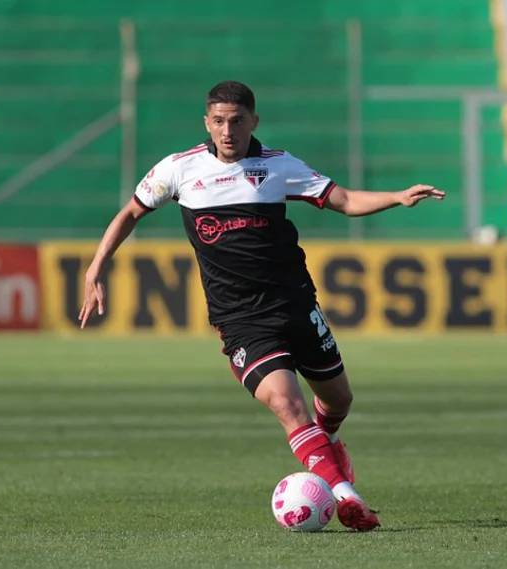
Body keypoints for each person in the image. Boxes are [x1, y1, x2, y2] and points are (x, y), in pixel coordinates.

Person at [78, 81, 445, 531]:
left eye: (236, 120)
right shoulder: (178, 170)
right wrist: (96, 268)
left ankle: (326, 458)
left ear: (254, 121)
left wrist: (396, 197)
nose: (227, 130)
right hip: (240, 319)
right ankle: (347, 496)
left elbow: (343, 200)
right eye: (218, 121)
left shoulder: (279, 167)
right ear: (206, 123)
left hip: (294, 302)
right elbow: (131, 212)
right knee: (288, 404)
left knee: (338, 398)